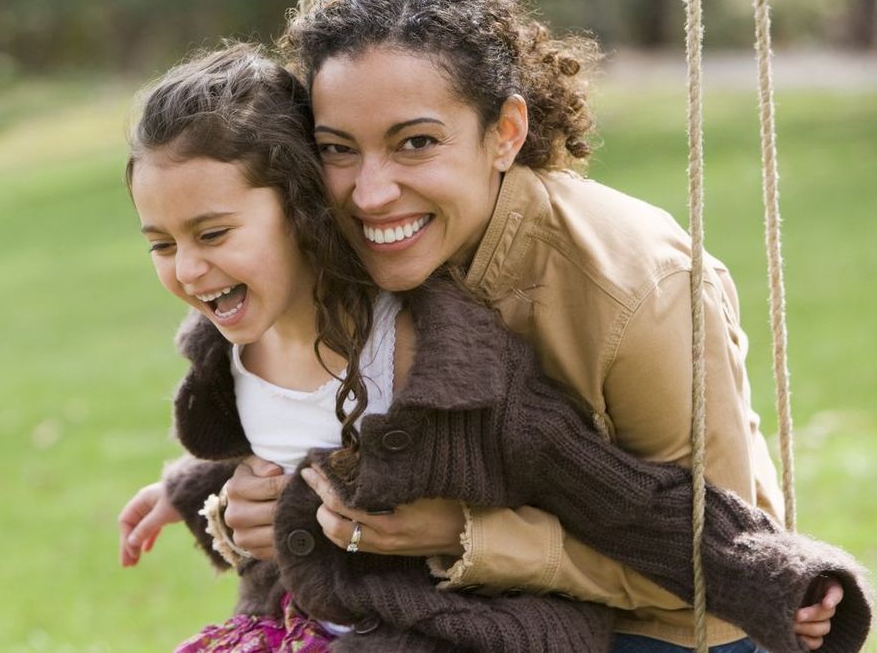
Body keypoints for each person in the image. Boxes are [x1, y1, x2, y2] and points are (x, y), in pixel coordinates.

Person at [118, 43, 871, 652]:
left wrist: (780, 577)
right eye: (161, 243)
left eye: (212, 234)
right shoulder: (229, 347)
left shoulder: (442, 359)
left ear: (298, 202)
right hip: (313, 619)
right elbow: (276, 440)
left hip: (456, 628)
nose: (186, 268)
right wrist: (195, 494)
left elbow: (627, 501)